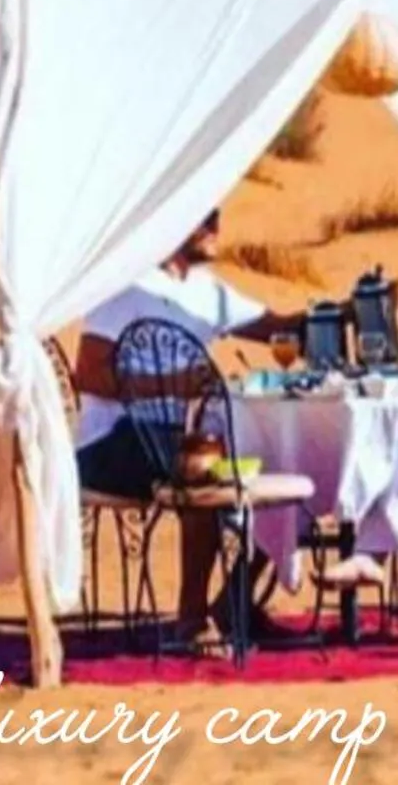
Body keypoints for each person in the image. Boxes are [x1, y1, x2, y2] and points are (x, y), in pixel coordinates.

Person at [71, 207, 304, 650]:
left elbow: (278, 330)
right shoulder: (124, 286)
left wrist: (342, 314)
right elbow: (89, 374)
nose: (216, 228)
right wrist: (170, 384)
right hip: (115, 440)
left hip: (184, 437)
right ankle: (191, 618)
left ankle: (234, 600)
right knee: (203, 468)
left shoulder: (206, 292)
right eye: (204, 216)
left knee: (273, 465)